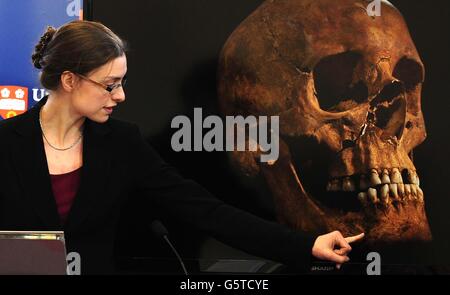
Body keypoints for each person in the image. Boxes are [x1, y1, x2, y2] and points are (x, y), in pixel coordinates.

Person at [0, 20, 364, 274]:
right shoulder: (6, 143)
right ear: (68, 80)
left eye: (122, 82)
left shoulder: (123, 143)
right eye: (110, 85)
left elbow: (207, 211)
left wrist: (305, 245)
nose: (121, 95)